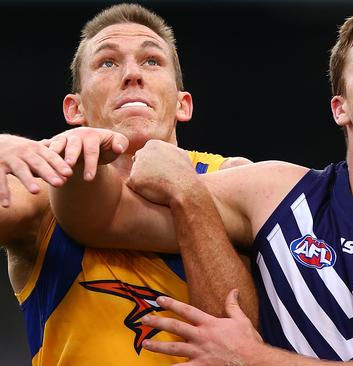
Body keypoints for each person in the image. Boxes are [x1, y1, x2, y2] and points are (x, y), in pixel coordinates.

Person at [51, 2, 353, 365]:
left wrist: (256, 358)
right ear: (340, 108)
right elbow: (102, 218)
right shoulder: (275, 193)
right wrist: (77, 150)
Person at [0, 3, 256, 365]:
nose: (132, 74)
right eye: (108, 62)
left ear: (183, 104)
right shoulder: (43, 192)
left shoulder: (233, 176)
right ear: (75, 109)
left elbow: (245, 341)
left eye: (152, 61)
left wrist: (188, 191)